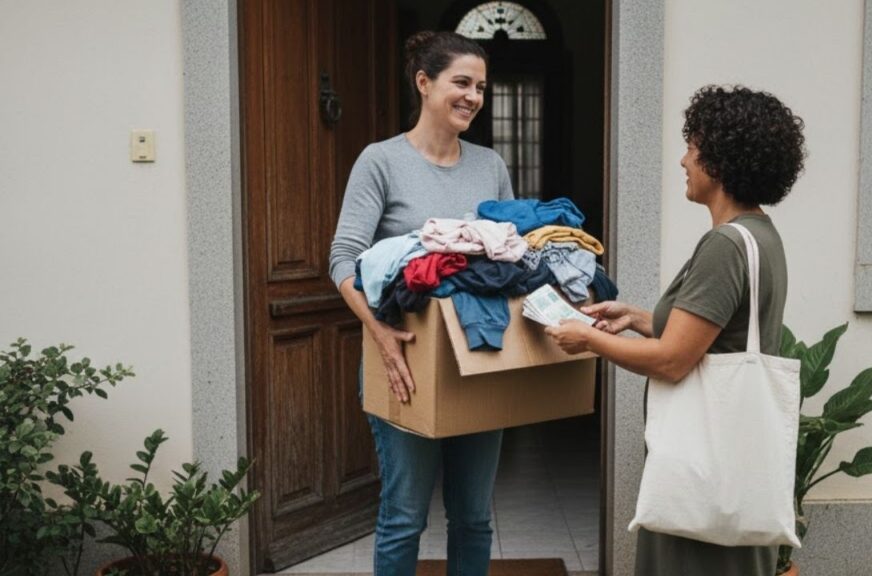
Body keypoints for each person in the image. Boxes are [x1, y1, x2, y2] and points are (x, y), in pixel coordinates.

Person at [545, 85, 806, 575]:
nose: (684, 160)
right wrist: (638, 318)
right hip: (731, 476)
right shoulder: (760, 235)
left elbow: (673, 359)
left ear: (722, 159)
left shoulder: (726, 247)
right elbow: (712, 335)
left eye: (692, 146)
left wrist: (589, 340)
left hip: (702, 486)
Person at [328, 31, 513, 576]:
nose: (473, 96)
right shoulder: (380, 162)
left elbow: (509, 258)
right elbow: (343, 260)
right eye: (461, 82)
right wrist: (380, 335)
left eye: (480, 86)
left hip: (481, 361)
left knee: (475, 517)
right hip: (403, 363)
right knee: (404, 517)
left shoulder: (490, 167)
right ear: (424, 82)